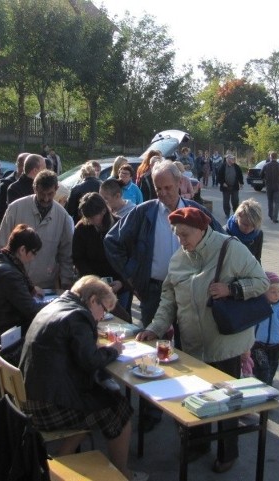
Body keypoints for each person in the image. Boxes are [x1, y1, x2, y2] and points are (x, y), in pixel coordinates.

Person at [137, 207, 269, 474]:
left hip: (226, 343)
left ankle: (227, 452)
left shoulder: (229, 248)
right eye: (177, 235)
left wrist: (232, 289)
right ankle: (198, 444)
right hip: (192, 343)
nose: (181, 241)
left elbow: (261, 281)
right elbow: (168, 301)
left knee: (226, 401)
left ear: (201, 230)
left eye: (185, 234)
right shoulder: (177, 260)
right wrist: (154, 328)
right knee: (196, 397)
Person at [105, 160, 222, 431]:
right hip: (154, 291)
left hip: (190, 293)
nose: (164, 193)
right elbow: (112, 242)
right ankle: (151, 413)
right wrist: (133, 276)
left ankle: (191, 415)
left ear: (180, 184)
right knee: (150, 351)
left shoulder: (197, 213)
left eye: (168, 187)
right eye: (158, 188)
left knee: (190, 353)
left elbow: (222, 243)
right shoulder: (144, 212)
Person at [20, 275, 141, 480]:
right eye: (103, 309)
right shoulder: (78, 316)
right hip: (48, 405)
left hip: (30, 397)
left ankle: (60, 461)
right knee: (119, 409)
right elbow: (90, 362)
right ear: (92, 300)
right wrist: (113, 351)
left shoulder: (58, 304)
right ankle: (123, 473)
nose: (102, 317)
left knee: (97, 402)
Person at [0, 224, 47, 354]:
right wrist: (57, 303)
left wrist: (30, 288)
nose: (34, 257)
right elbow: (31, 309)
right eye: (33, 253)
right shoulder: (9, 274)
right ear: (22, 249)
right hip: (1, 340)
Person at [0, 170, 75, 289]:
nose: (45, 199)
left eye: (50, 194)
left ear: (56, 189)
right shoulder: (15, 209)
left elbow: (66, 254)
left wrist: (66, 282)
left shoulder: (63, 216)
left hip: (46, 285)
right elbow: (3, 246)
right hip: (15, 283)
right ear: (34, 188)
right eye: (42, 194)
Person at [73, 193, 131, 315]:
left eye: (93, 217)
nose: (90, 221)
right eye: (86, 217)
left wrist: (122, 282)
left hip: (119, 288)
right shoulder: (82, 228)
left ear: (103, 211)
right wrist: (95, 281)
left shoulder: (121, 226)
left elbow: (131, 259)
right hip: (92, 288)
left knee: (121, 321)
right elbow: (78, 258)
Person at [251, 271, 279, 386]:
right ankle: (261, 388)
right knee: (262, 371)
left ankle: (267, 388)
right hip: (258, 345)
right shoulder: (258, 305)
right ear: (264, 292)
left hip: (275, 346)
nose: (277, 295)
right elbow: (248, 323)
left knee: (271, 370)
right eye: (273, 292)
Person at [224, 198, 264, 263]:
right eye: (245, 224)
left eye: (253, 225)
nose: (249, 229)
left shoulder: (258, 234)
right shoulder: (224, 233)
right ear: (238, 216)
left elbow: (257, 259)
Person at [0, 153, 28, 225]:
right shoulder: (5, 185)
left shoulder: (34, 184)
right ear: (17, 164)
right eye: (22, 165)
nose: (23, 168)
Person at [261, 151, 279, 223]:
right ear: (276, 157)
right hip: (278, 186)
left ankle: (270, 215)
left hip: (269, 186)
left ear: (270, 157)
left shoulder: (266, 165)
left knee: (270, 201)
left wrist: (265, 178)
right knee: (277, 202)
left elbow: (261, 176)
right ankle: (275, 217)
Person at [217, 153, 244, 218]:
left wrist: (241, 183)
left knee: (235, 201)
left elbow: (240, 175)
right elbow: (218, 177)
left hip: (234, 187)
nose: (232, 160)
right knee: (226, 202)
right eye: (230, 158)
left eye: (232, 158)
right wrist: (222, 183)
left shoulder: (236, 166)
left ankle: (235, 213)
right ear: (227, 159)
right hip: (225, 187)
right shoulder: (222, 166)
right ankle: (227, 214)